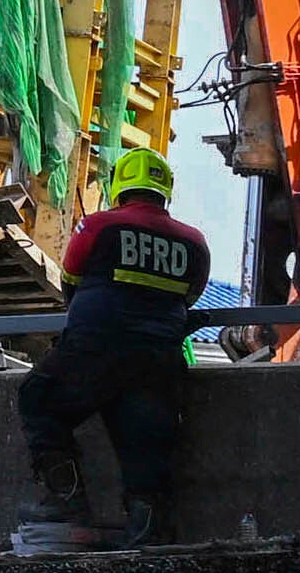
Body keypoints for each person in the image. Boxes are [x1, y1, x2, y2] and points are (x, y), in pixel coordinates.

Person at [17, 152, 211, 544]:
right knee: (144, 445)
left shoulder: (98, 225)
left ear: (119, 186)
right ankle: (148, 536)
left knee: (39, 398)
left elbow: (70, 280)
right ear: (165, 191)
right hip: (159, 359)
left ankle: (66, 505)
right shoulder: (194, 243)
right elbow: (190, 297)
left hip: (95, 347)